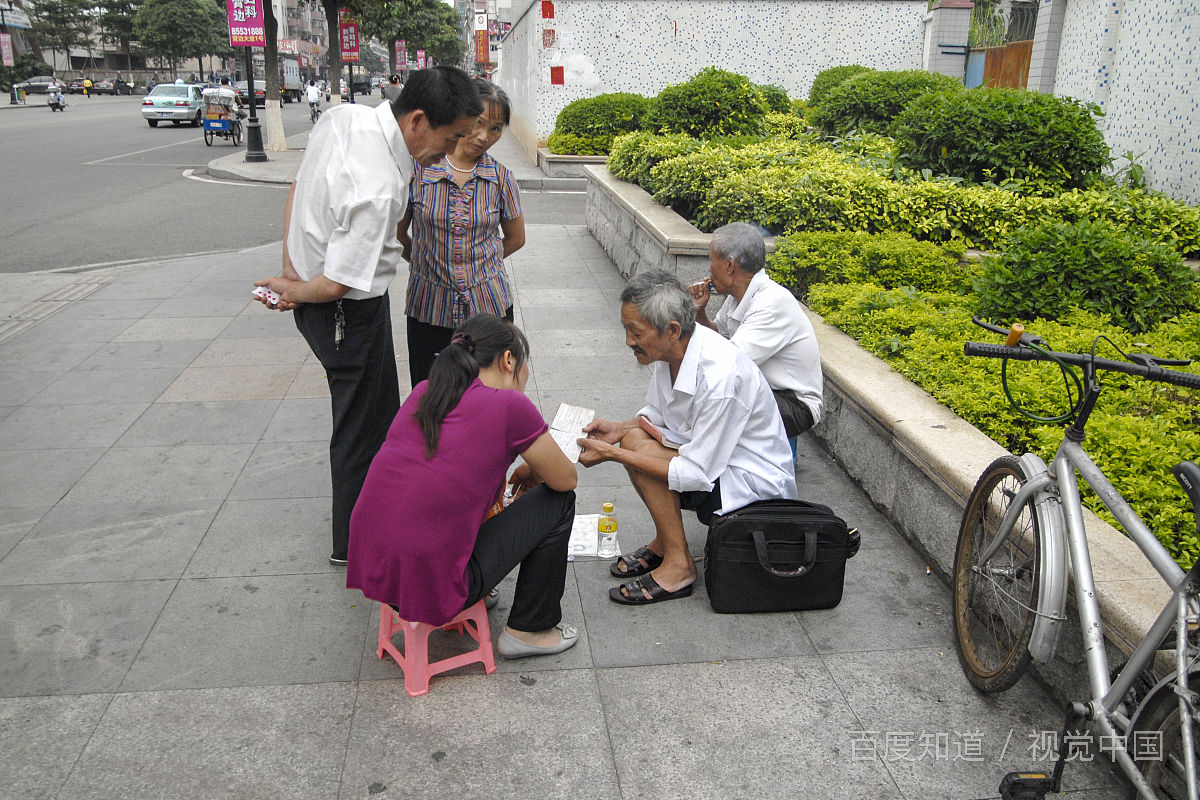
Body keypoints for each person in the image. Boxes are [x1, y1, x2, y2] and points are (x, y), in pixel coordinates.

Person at [252, 66, 483, 566]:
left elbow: (300, 185)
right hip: (344, 312)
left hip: (329, 298)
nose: (452, 151)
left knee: (370, 416)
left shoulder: (344, 117)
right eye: (450, 138)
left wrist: (292, 268)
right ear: (418, 120)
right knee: (364, 428)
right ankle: (356, 547)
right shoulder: (378, 187)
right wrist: (298, 287)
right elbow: (338, 283)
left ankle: (366, 528)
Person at [347, 314, 580, 657]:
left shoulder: (426, 392)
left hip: (379, 569)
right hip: (433, 585)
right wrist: (537, 469)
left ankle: (480, 595)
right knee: (560, 502)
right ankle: (530, 628)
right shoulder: (510, 405)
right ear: (508, 359)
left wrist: (529, 466)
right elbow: (565, 479)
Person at [577, 269, 797, 605]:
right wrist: (620, 429)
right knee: (635, 441)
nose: (628, 342)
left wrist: (614, 455)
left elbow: (696, 472)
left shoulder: (720, 375)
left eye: (635, 332)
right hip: (712, 461)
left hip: (751, 484)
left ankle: (679, 566)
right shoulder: (671, 352)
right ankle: (665, 543)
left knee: (638, 455)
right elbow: (656, 415)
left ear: (673, 330)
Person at [399, 78, 526, 386]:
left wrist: (477, 265)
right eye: (478, 123)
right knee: (431, 393)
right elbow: (398, 235)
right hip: (429, 307)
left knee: (488, 394)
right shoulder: (420, 169)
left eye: (495, 129)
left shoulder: (500, 178)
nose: (484, 136)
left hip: (488, 308)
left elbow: (516, 238)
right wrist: (427, 263)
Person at [689, 222, 823, 445]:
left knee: (715, 404)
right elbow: (717, 336)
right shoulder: (737, 297)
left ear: (730, 265)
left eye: (712, 261)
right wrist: (698, 312)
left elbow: (730, 363)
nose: (709, 269)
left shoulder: (771, 303)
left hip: (793, 403)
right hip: (762, 388)